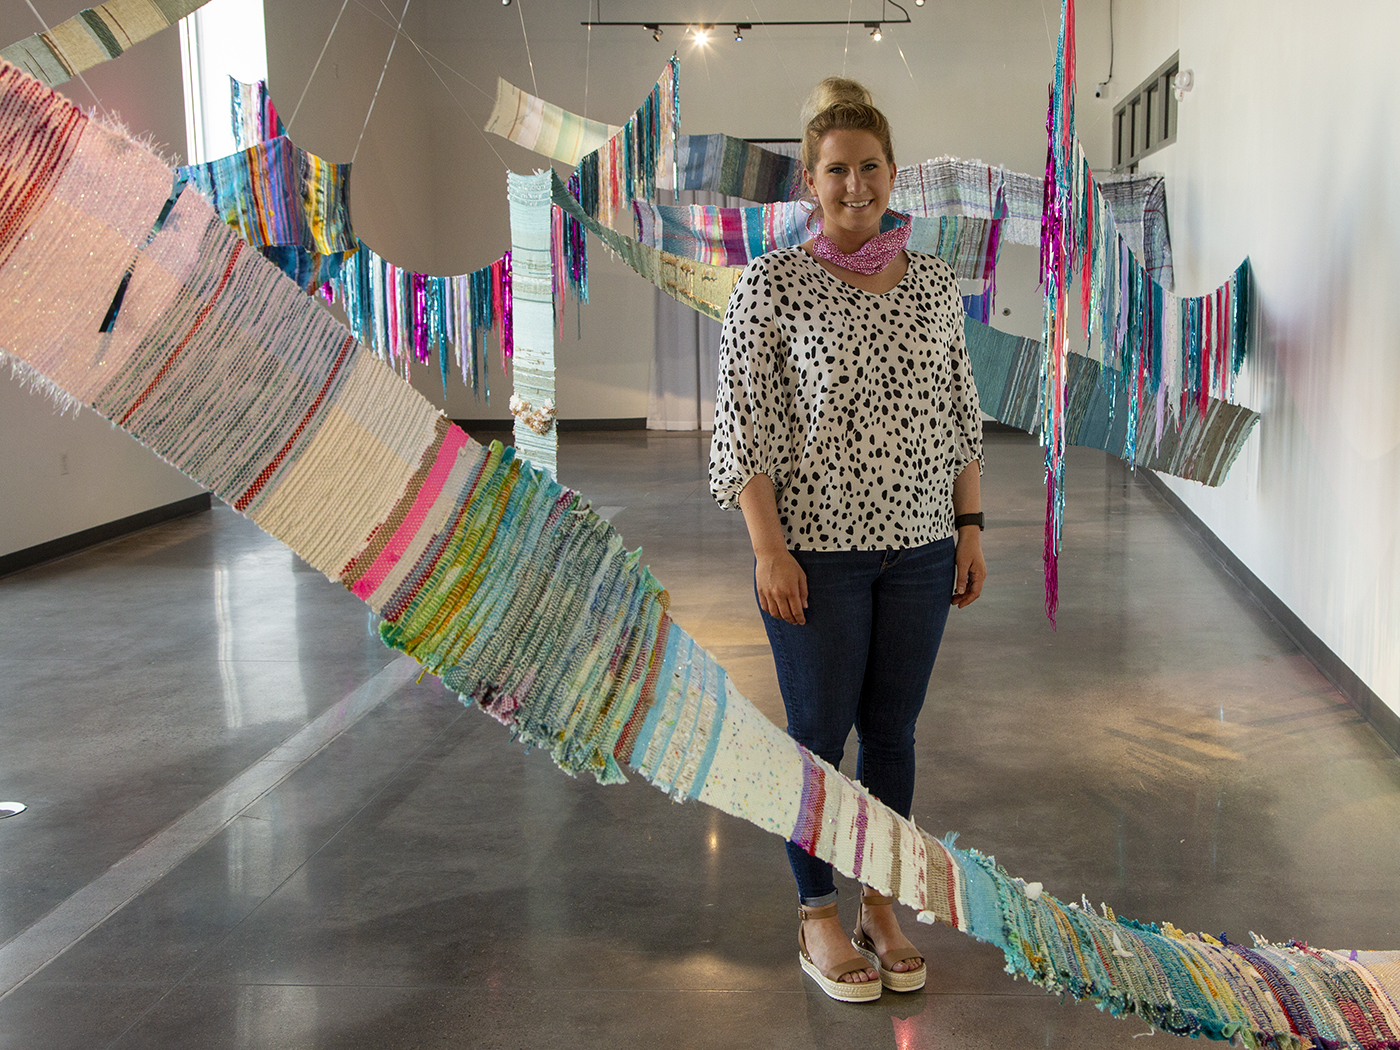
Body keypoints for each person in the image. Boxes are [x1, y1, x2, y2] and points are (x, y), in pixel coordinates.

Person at [708, 77, 986, 1003]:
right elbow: (743, 424)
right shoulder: (773, 284)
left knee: (894, 737)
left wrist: (970, 526)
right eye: (836, 170)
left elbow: (958, 414)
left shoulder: (937, 283)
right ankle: (818, 914)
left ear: (892, 173)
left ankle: (883, 901)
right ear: (811, 181)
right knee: (819, 742)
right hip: (814, 556)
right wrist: (767, 548)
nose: (854, 185)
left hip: (919, 551)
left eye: (870, 167)